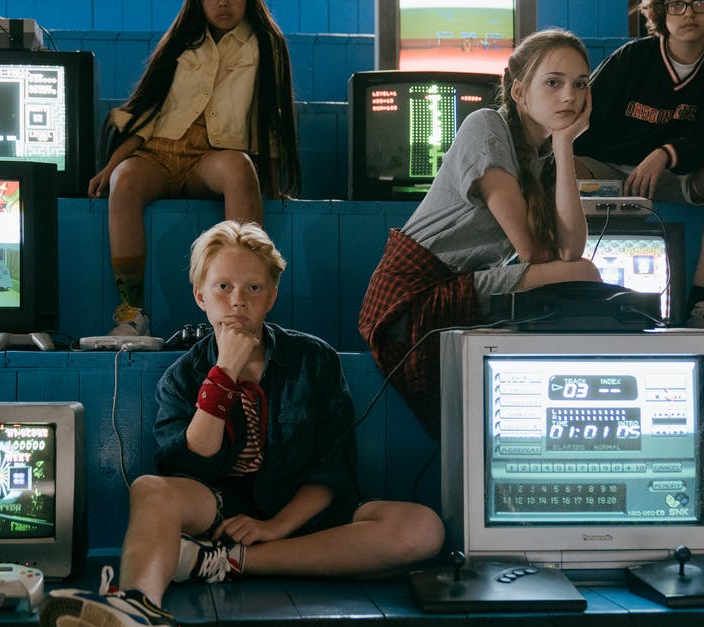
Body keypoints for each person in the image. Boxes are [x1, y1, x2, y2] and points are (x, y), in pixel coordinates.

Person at [39, 220, 444, 627]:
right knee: (150, 489)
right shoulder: (182, 377)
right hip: (217, 513)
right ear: (201, 296)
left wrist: (275, 527)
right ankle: (136, 606)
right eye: (223, 287)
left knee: (422, 529)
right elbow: (189, 469)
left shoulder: (314, 360)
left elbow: (332, 471)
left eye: (253, 288)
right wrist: (224, 372)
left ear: (271, 297)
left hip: (303, 518)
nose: (238, 301)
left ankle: (223, 563)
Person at [359, 29, 600, 439]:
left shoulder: (543, 156)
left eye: (580, 85)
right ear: (520, 91)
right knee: (585, 276)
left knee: (581, 277)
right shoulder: (485, 126)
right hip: (409, 300)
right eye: (554, 82)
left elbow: (570, 248)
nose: (569, 97)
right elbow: (535, 252)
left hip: (452, 287)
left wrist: (563, 148)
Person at [89, 0, 301, 337]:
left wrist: (272, 183)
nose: (222, 3)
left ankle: (244, 310)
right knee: (124, 180)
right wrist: (111, 167)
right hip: (160, 152)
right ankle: (131, 312)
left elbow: (269, 119)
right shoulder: (182, 40)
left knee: (239, 167)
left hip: (212, 156)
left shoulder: (263, 45)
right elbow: (149, 113)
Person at [575, 0, 704, 343]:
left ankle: (702, 305)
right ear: (659, 11)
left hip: (679, 174)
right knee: (560, 167)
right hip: (614, 170)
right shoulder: (632, 58)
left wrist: (667, 154)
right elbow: (582, 122)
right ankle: (571, 294)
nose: (688, 13)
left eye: (700, 2)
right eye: (676, 4)